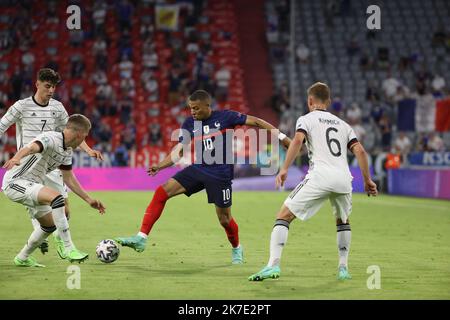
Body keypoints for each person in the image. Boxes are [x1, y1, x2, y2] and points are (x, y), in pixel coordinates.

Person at [116, 90, 291, 264]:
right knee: (162, 192)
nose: (192, 112)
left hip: (220, 174)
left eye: (196, 108)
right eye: (190, 108)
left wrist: (282, 137)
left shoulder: (226, 117)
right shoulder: (189, 123)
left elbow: (257, 122)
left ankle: (237, 248)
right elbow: (179, 151)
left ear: (208, 106)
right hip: (199, 168)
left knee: (224, 219)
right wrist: (160, 166)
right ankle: (141, 237)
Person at [248, 82, 378, 281]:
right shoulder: (343, 125)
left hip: (320, 176)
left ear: (310, 100)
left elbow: (298, 142)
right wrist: (368, 179)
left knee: (283, 215)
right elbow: (360, 151)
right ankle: (343, 268)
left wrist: (283, 168)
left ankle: (272, 265)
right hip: (344, 179)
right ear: (329, 102)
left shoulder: (306, 119)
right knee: (342, 221)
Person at [0, 68, 103, 256]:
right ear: (37, 84)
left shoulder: (57, 108)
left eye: (54, 87)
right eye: (47, 86)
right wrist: (16, 157)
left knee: (65, 210)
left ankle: (44, 242)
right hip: (28, 164)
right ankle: (63, 246)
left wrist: (88, 150)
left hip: (52, 162)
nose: (51, 90)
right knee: (46, 207)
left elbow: (73, 132)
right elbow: (2, 126)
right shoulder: (21, 106)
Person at [2, 114, 106, 267]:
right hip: (15, 182)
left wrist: (89, 199)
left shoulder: (67, 151)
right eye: (85, 136)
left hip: (33, 185)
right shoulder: (51, 138)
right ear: (79, 134)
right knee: (57, 199)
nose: (85, 140)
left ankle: (22, 257)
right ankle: (69, 248)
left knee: (49, 226)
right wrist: (17, 157)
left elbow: (69, 178)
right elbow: (31, 147)